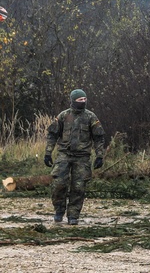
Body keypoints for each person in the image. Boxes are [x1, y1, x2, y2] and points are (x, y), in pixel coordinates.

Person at [44, 89, 105, 225]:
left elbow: (99, 137)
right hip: (64, 155)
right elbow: (52, 135)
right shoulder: (64, 116)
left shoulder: (90, 117)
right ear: (73, 101)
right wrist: (48, 153)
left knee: (78, 187)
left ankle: (73, 216)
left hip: (82, 157)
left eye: (84, 99)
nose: (83, 102)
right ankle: (59, 211)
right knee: (58, 184)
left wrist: (100, 155)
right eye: (80, 100)